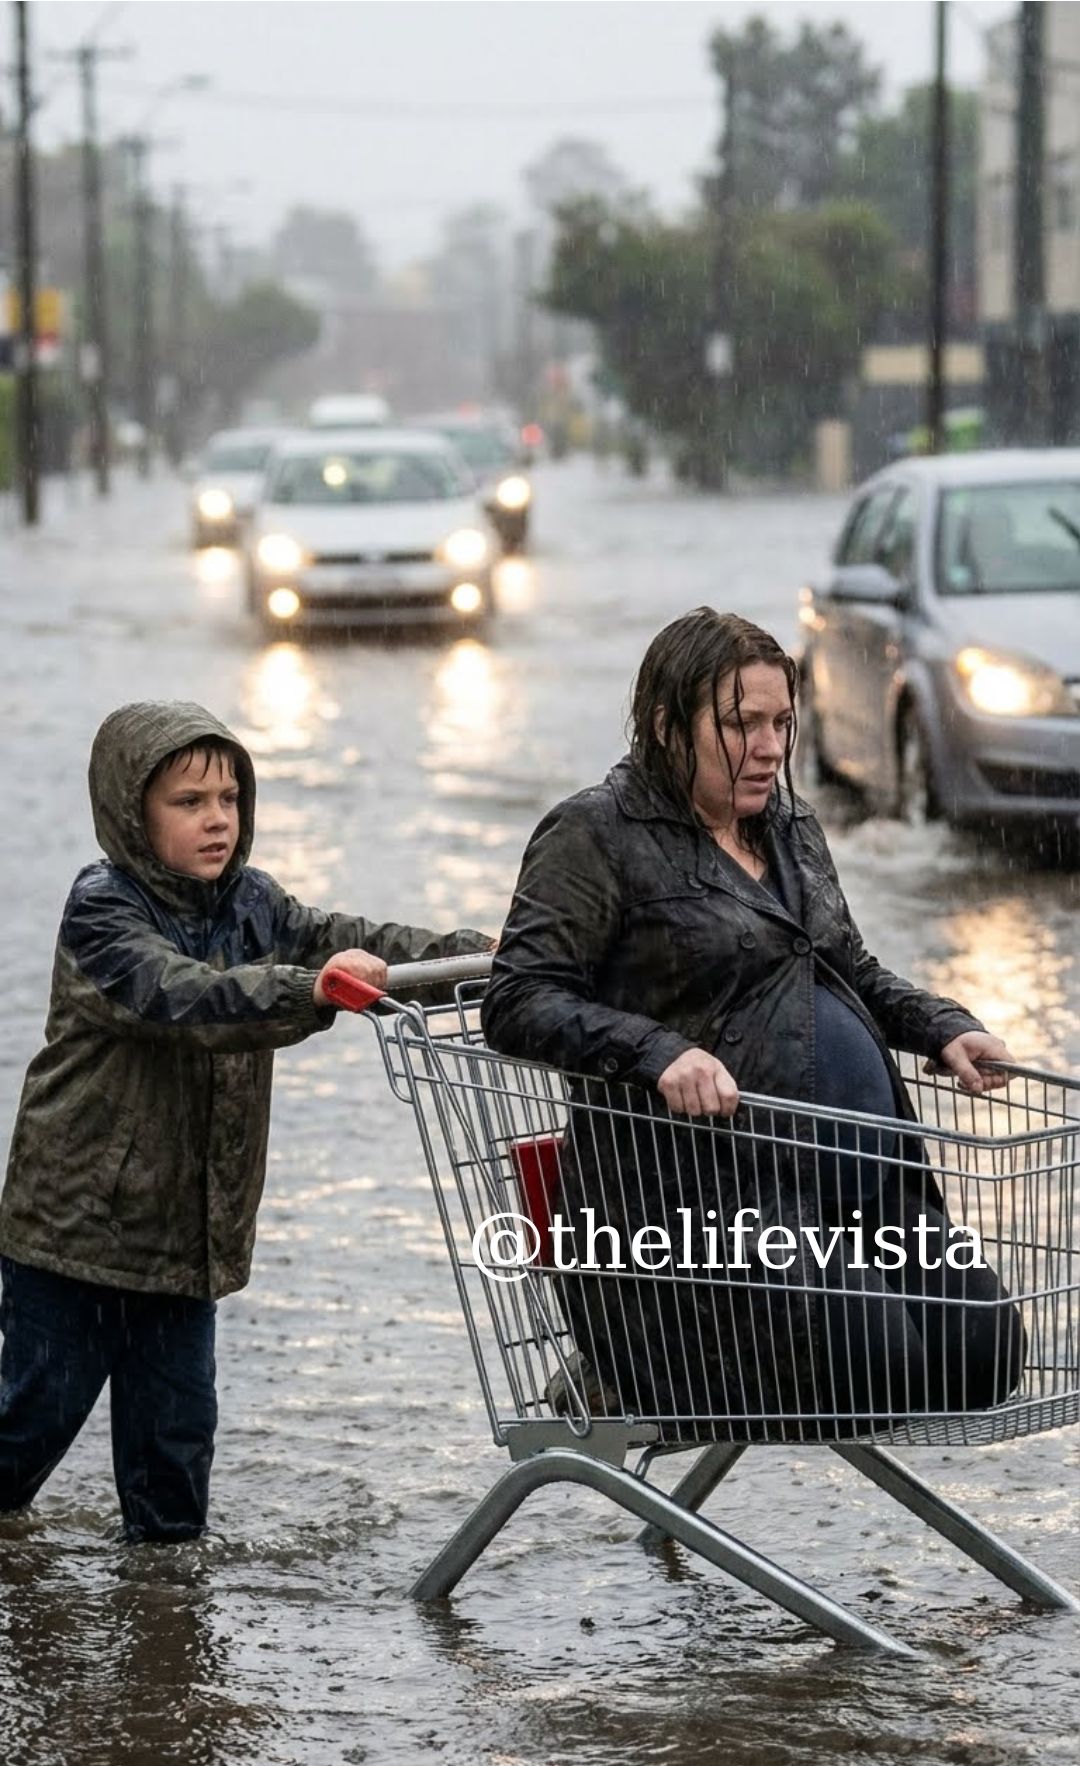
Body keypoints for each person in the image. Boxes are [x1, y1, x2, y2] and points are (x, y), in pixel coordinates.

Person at [483, 609, 1026, 1441]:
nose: (770, 747)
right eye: (741, 724)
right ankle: (618, 1367)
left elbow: (849, 967)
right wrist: (659, 1051)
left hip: (859, 1196)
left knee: (985, 1355)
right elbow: (518, 999)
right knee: (880, 1369)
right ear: (668, 727)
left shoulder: (790, 826)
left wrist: (940, 1025)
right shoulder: (596, 834)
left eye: (781, 723)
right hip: (703, 1215)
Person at [0, 700, 492, 1542]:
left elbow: (351, 938)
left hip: (189, 1244)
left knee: (174, 1469)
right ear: (131, 811)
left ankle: (163, 1630)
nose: (217, 819)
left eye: (229, 799)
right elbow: (186, 997)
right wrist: (312, 989)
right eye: (189, 803)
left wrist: (491, 957)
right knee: (21, 1440)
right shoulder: (101, 913)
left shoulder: (254, 904)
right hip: (74, 1238)